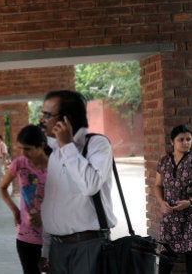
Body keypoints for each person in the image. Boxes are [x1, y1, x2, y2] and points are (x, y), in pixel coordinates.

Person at [38, 90, 116, 274]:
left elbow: (90, 185)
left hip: (88, 245)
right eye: (42, 114)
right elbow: (53, 203)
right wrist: (46, 250)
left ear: (67, 119)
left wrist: (67, 146)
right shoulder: (56, 153)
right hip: (58, 249)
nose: (42, 120)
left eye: (48, 115)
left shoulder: (97, 145)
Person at [0, 125, 50, 274]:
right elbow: (2, 187)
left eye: (27, 149)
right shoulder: (20, 163)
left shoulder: (56, 165)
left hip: (54, 237)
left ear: (41, 145)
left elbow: (66, 199)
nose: (23, 153)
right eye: (21, 148)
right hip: (26, 237)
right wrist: (15, 210)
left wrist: (44, 216)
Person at [153, 124, 192, 274]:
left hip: (190, 216)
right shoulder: (164, 162)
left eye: (188, 139)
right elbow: (157, 185)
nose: (186, 143)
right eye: (181, 139)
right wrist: (161, 202)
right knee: (166, 255)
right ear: (172, 142)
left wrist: (189, 202)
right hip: (169, 216)